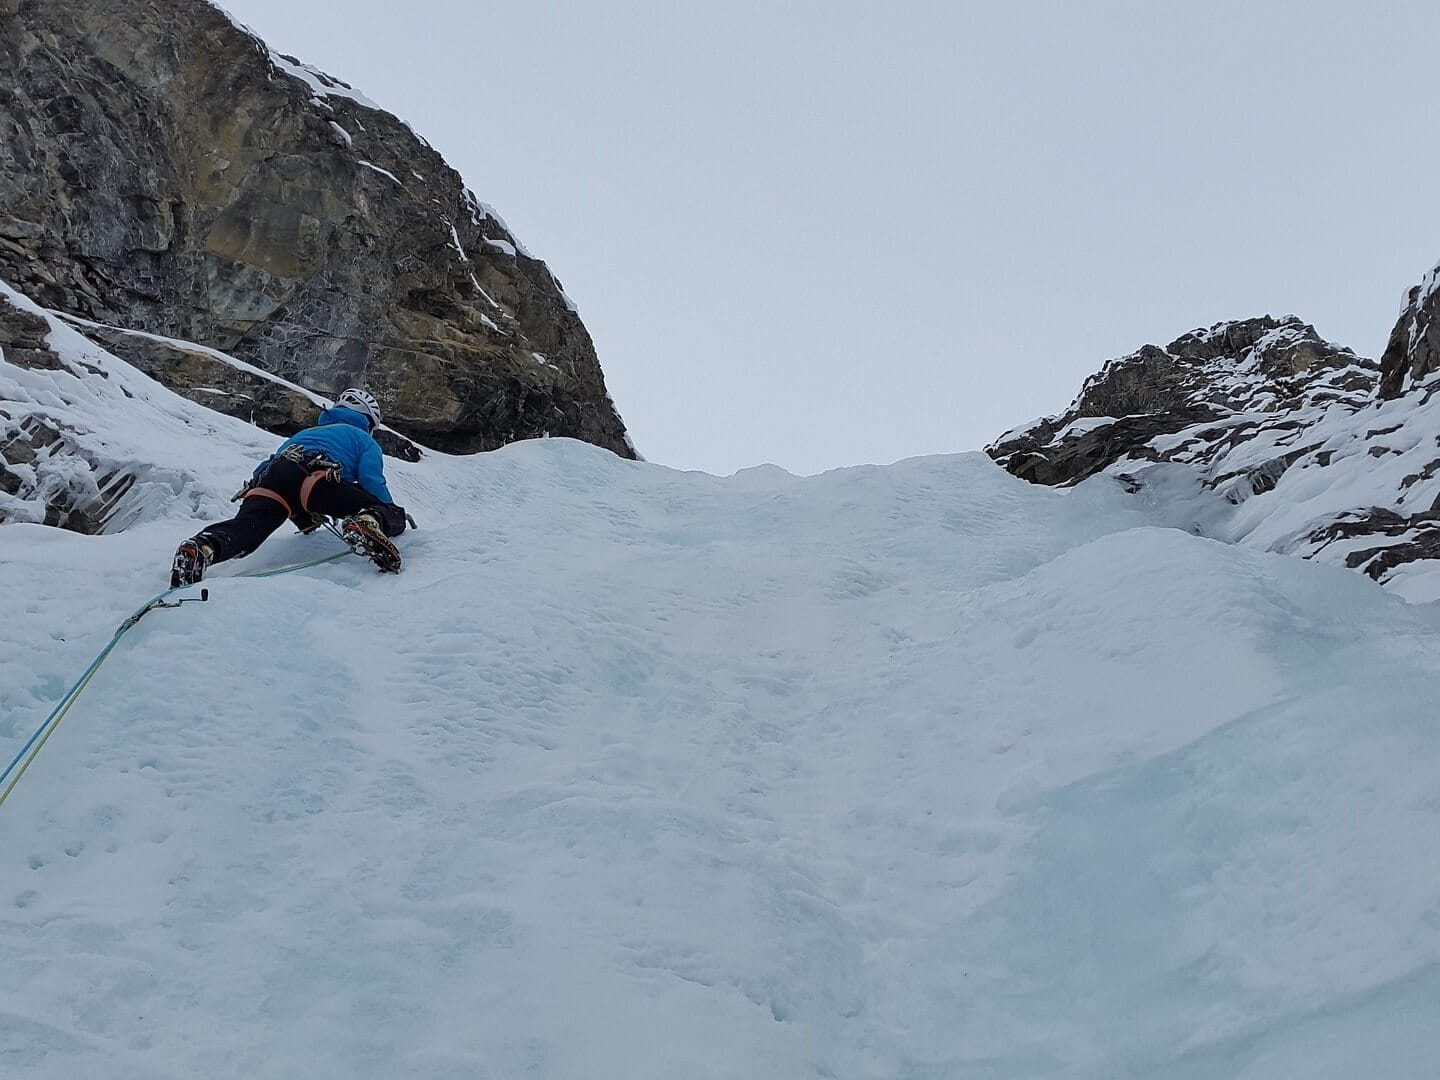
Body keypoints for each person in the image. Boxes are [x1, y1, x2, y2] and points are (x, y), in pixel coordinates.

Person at [170, 388, 408, 586]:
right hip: (318, 478)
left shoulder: (306, 433)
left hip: (273, 477)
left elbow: (274, 472)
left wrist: (303, 517)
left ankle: (203, 547)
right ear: (368, 422)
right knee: (386, 510)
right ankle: (367, 521)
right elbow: (371, 480)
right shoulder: (363, 439)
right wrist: (386, 509)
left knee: (247, 529)